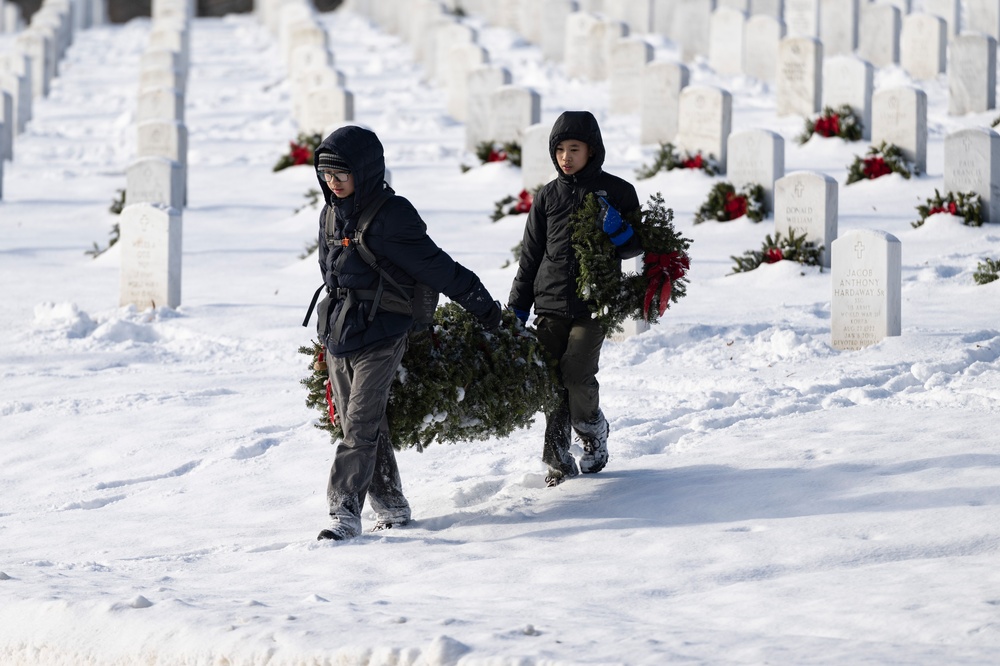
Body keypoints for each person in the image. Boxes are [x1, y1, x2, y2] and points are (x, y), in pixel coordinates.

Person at [312, 125, 502, 541]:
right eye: (326, 175)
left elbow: (438, 268)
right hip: (341, 333)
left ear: (364, 171)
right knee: (362, 424)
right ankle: (392, 505)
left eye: (341, 175)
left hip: (383, 333)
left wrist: (486, 309)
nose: (333, 183)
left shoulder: (392, 217)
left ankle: (344, 512)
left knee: (359, 424)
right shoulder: (329, 214)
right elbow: (329, 271)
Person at [508, 110, 643, 487]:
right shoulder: (547, 196)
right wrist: (517, 308)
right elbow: (531, 256)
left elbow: (637, 252)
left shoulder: (617, 192)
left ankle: (593, 430)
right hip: (549, 303)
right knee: (551, 381)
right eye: (560, 150)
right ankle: (557, 458)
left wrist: (618, 231)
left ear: (592, 150)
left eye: (574, 149)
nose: (566, 157)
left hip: (593, 304)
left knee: (577, 374)